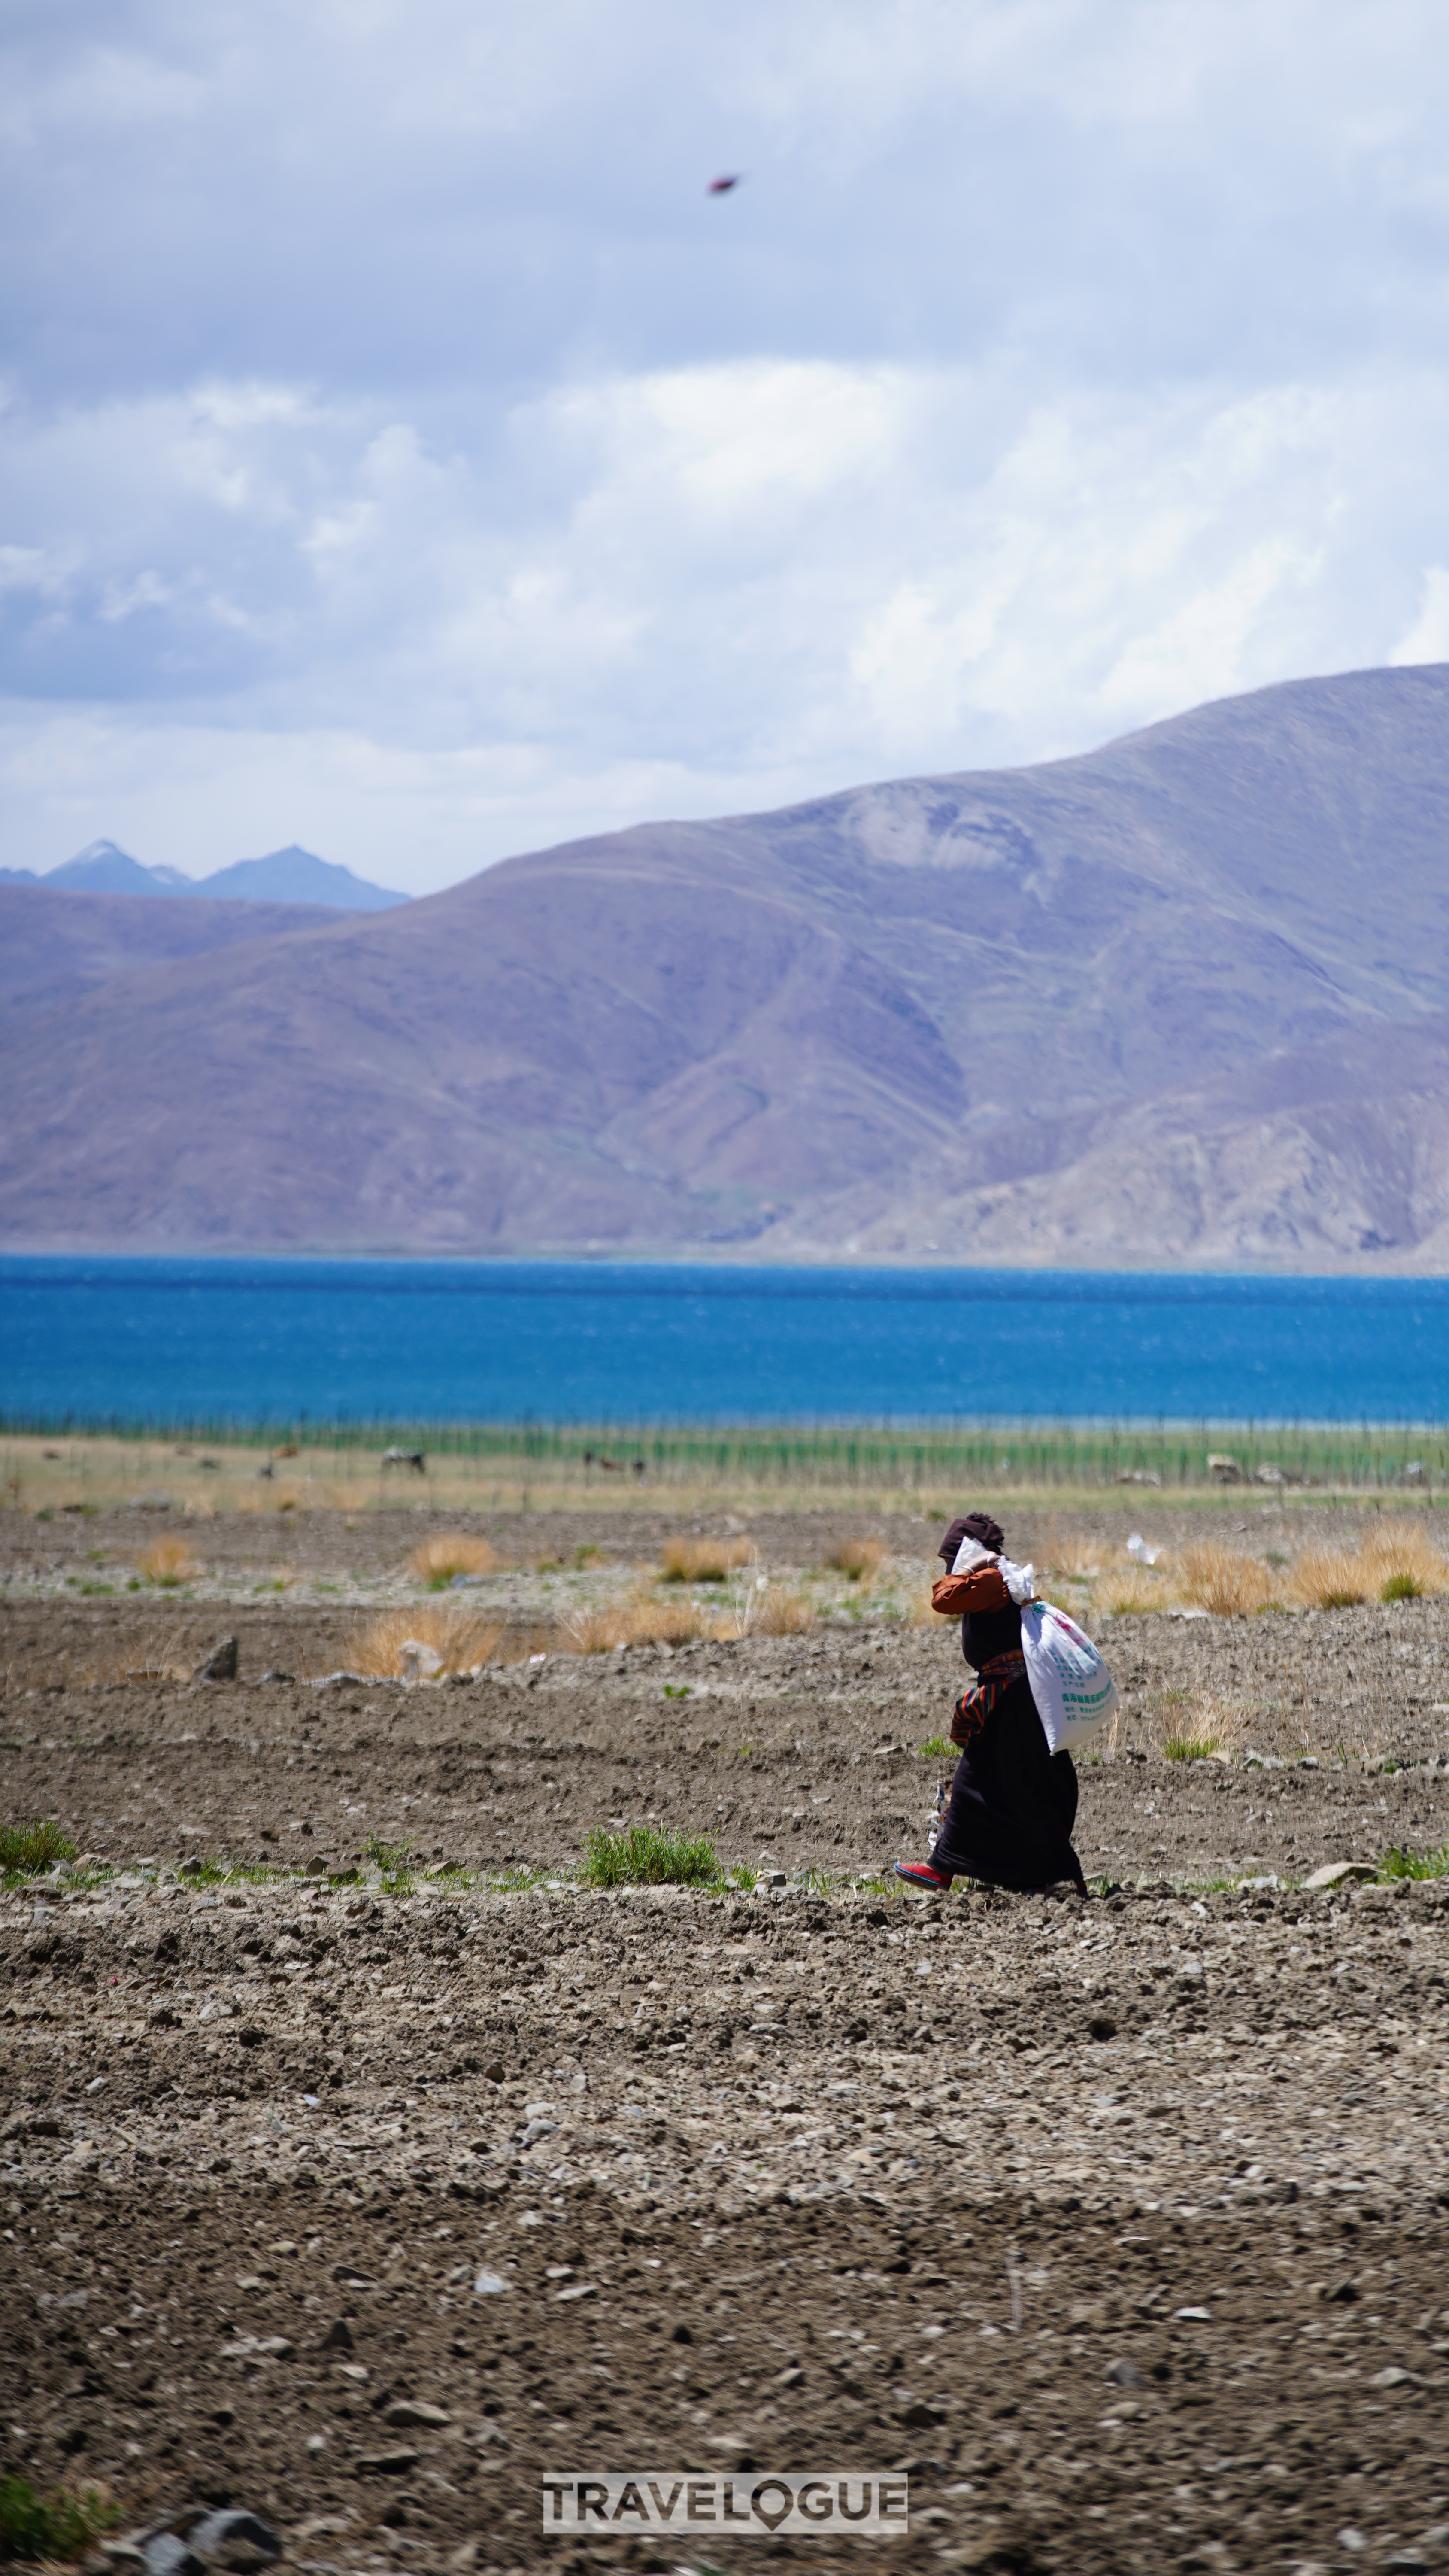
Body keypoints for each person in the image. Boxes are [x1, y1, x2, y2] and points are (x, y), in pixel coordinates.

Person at [894, 1510, 1087, 1897]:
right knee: (1029, 1779)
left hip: (1012, 1698)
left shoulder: (990, 1579)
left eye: (951, 1559)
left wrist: (975, 1564)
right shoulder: (996, 1577)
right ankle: (1046, 1875)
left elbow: (942, 1599)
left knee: (976, 1777)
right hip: (1017, 1695)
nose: (948, 1568)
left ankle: (942, 1868)